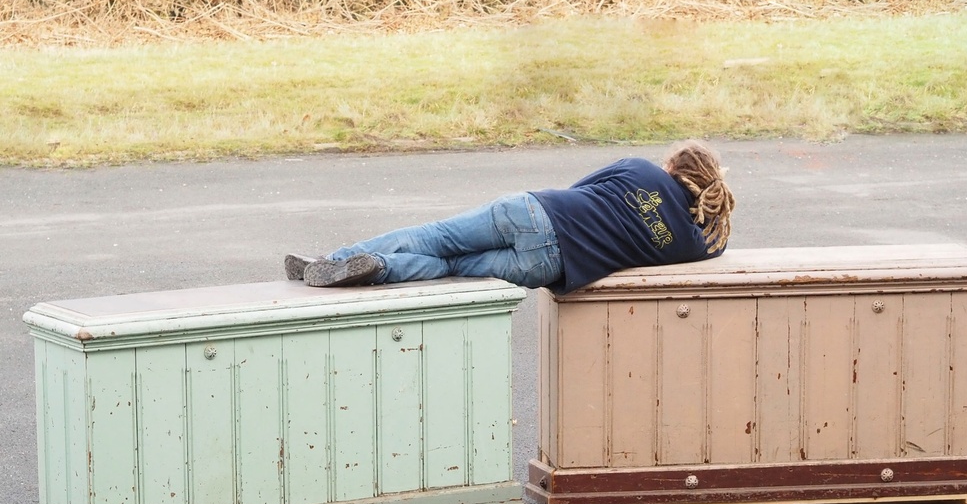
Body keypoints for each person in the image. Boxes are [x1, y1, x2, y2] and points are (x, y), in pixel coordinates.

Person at [285, 140, 735, 294]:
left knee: (434, 237)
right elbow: (717, 244)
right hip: (551, 265)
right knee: (452, 267)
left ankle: (335, 259)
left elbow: (583, 190)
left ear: (674, 167)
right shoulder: (691, 245)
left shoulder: (639, 169)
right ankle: (380, 270)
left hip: (537, 213)